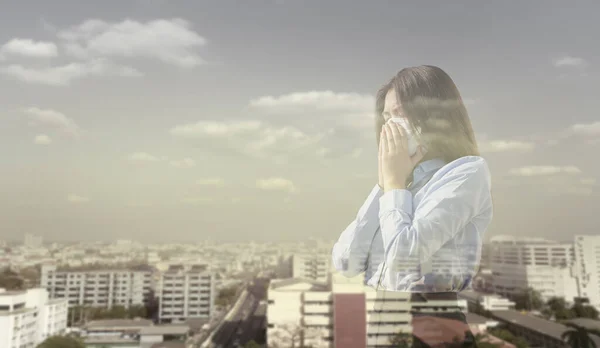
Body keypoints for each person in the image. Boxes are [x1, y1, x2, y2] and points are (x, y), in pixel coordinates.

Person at [331, 65, 492, 347]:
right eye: (386, 117)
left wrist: (393, 185)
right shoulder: (399, 185)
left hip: (434, 322)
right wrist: (384, 186)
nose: (391, 126)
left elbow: (404, 260)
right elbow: (346, 262)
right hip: (382, 323)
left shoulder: (465, 173)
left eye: (400, 114)